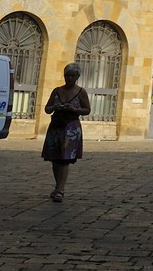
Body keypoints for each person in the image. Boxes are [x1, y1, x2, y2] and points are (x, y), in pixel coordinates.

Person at [41, 62, 91, 202]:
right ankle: (58, 186)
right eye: (66, 75)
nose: (68, 78)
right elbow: (47, 108)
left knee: (65, 159)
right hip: (56, 126)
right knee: (55, 159)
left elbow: (87, 110)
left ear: (77, 76)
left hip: (70, 128)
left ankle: (60, 189)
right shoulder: (57, 91)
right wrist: (54, 107)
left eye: (71, 75)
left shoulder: (81, 92)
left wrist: (74, 109)